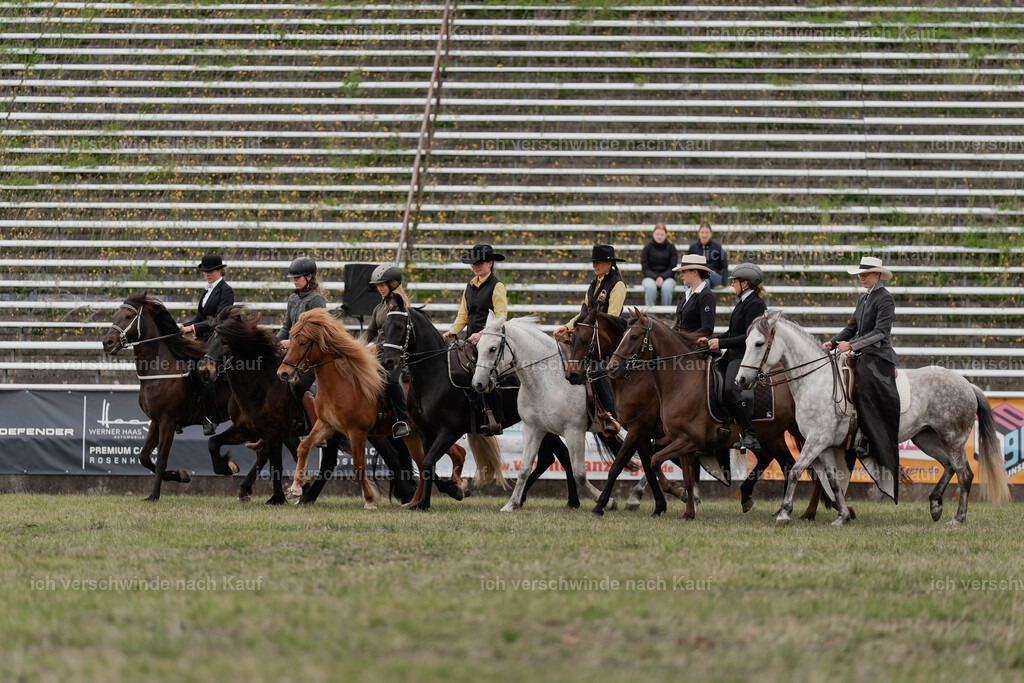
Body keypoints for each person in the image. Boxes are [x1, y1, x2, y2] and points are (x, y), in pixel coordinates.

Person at [823, 256, 900, 502]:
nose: (861, 277)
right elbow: (852, 326)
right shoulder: (863, 298)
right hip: (861, 351)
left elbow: (880, 333)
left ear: (877, 275)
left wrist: (851, 345)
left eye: (865, 274)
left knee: (863, 384)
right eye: (860, 274)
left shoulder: (885, 298)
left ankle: (866, 437)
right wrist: (834, 341)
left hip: (878, 355)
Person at [554, 244, 627, 437]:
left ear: (609, 263)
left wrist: (588, 329)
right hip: (591, 335)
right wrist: (568, 327)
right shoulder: (594, 283)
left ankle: (610, 415)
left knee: (596, 368)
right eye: (594, 262)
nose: (595, 265)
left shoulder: (617, 285)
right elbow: (584, 312)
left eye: (599, 262)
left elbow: (612, 317)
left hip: (609, 338)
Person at [698, 263, 767, 451]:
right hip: (733, 353)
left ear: (745, 283)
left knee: (730, 388)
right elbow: (732, 331)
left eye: (734, 282)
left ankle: (750, 433)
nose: (732, 285)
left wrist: (721, 344)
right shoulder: (744, 302)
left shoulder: (755, 305)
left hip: (745, 356)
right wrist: (713, 340)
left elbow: (749, 336)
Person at [442, 244, 509, 436]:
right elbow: (463, 316)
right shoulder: (469, 286)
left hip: (488, 340)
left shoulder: (497, 286)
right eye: (473, 264)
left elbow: (500, 317)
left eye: (479, 263)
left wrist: (483, 334)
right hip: (469, 339)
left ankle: (496, 417)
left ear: (490, 263)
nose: (476, 267)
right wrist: (452, 332)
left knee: (486, 373)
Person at [179, 254, 235, 434]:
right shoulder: (208, 290)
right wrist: (181, 326)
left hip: (215, 340)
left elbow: (218, 320)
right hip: (203, 337)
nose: (207, 274)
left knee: (203, 369)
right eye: (205, 271)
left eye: (210, 271)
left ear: (220, 270)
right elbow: (199, 318)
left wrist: (190, 329)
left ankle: (211, 417)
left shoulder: (226, 290)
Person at [277, 256, 327, 438]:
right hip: (293, 354)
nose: (294, 281)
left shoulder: (317, 300)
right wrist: (273, 343)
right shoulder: (292, 298)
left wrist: (292, 343)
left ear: (309, 277)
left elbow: (319, 333)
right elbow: (285, 328)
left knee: (298, 385)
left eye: (297, 277)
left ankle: (317, 429)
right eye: (293, 278)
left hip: (311, 358)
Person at [361, 264, 411, 439]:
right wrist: (356, 347)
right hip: (377, 354)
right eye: (378, 286)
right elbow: (370, 332)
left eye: (382, 285)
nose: (379, 289)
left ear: (393, 284)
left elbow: (396, 335)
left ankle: (402, 419)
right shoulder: (379, 308)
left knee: (389, 379)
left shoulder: (399, 306)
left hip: (395, 356)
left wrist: (378, 347)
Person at [672, 254, 716, 336]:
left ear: (695, 272)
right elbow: (678, 324)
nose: (681, 275)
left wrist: (684, 339)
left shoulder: (706, 296)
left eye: (684, 271)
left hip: (696, 346)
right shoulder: (687, 294)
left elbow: (707, 329)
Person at [640, 223, 679, 307]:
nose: (659, 236)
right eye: (657, 234)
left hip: (668, 278)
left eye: (662, 234)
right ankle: (650, 317)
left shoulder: (671, 248)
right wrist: (656, 277)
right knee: (651, 287)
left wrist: (662, 277)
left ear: (665, 235)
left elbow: (673, 267)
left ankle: (666, 316)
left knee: (667, 288)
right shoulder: (647, 248)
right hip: (649, 278)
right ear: (653, 234)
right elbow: (645, 268)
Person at [688, 221, 728, 287]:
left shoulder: (717, 246)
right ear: (698, 233)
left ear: (711, 234)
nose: (704, 235)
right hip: (698, 277)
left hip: (714, 276)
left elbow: (724, 266)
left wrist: (723, 284)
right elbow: (687, 265)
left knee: (704, 276)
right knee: (705, 283)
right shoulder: (693, 247)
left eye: (707, 232)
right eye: (702, 232)